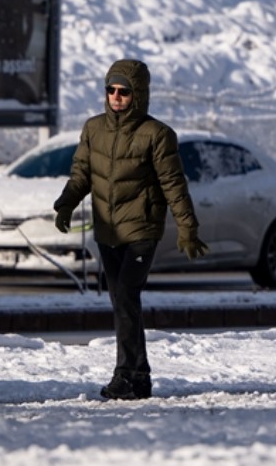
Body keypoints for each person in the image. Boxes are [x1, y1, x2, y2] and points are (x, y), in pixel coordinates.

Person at [51, 59, 209, 400]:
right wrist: (66, 203)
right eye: (111, 90)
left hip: (141, 229)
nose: (116, 96)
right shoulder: (93, 129)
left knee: (125, 297)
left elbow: (173, 184)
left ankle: (125, 374)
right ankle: (140, 377)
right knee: (124, 302)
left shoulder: (157, 135)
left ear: (138, 94)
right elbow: (81, 174)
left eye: (124, 91)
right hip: (108, 231)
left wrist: (187, 228)